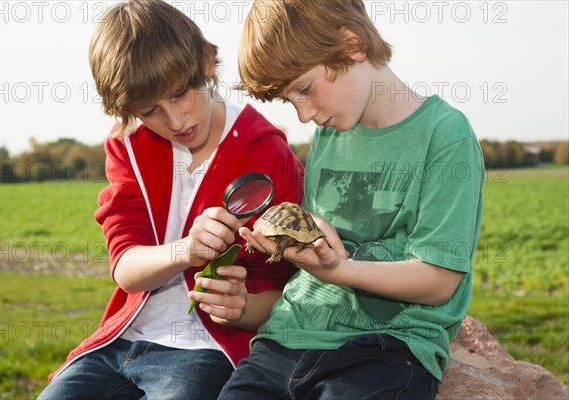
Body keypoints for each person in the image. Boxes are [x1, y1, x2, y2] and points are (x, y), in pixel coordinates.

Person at [38, 0, 304, 399]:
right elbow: (125, 266)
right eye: (150, 110)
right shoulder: (128, 143)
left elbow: (289, 293)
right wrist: (184, 250)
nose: (176, 122)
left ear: (206, 61)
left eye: (181, 93)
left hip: (205, 349)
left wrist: (241, 305)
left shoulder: (267, 153)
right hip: (121, 340)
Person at [219, 0, 484, 399]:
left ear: (351, 44)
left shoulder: (443, 135)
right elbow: (323, 241)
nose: (303, 115)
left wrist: (338, 270)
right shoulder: (329, 133)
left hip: (385, 349)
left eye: (304, 90)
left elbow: (438, 281)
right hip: (286, 338)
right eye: (290, 100)